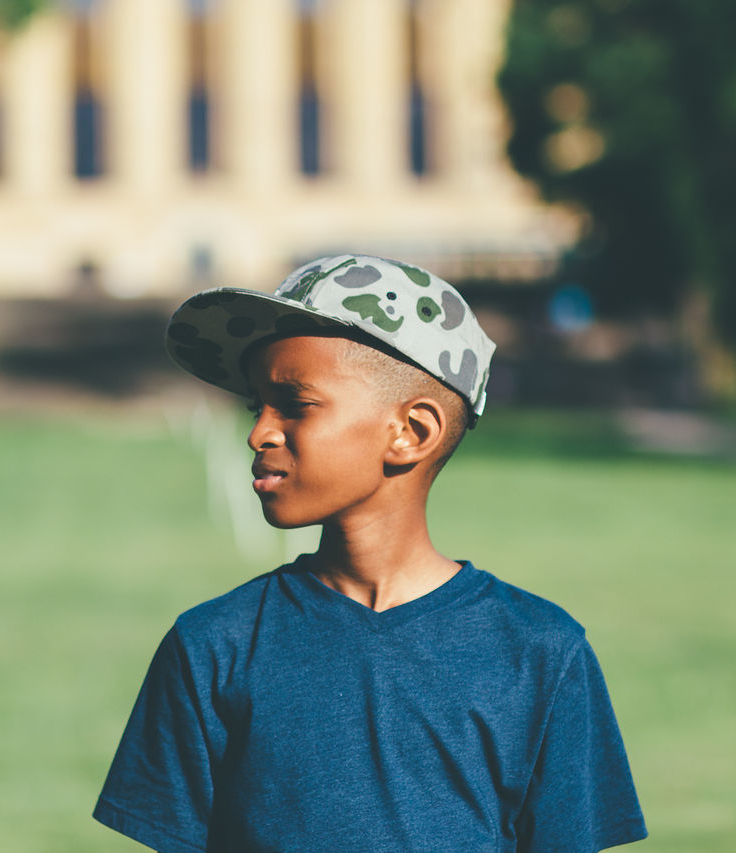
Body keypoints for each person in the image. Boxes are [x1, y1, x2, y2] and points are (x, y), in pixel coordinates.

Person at [93, 254, 646, 852]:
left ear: (412, 432)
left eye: (295, 403)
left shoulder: (540, 651)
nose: (259, 433)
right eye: (258, 407)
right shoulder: (211, 647)